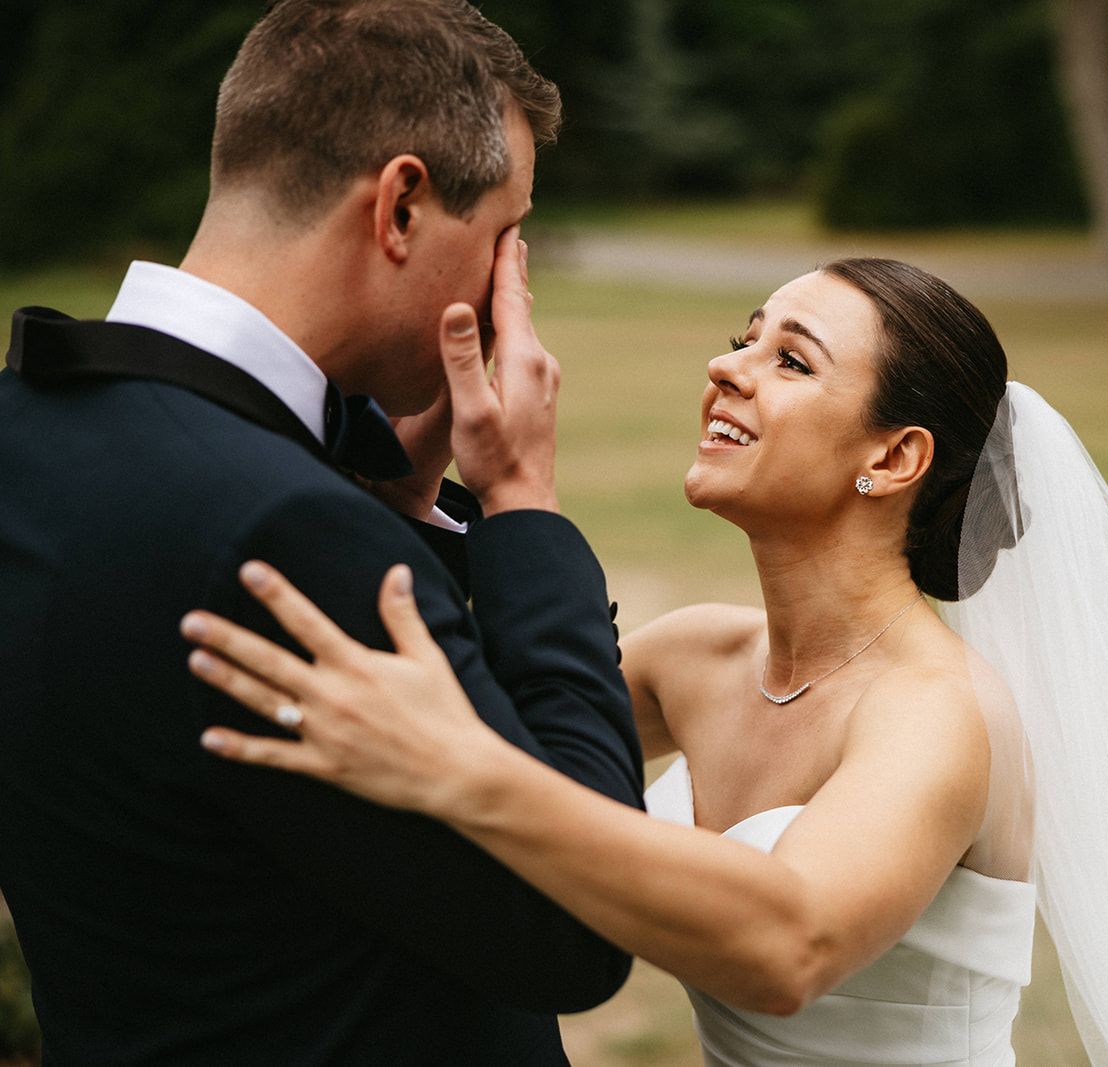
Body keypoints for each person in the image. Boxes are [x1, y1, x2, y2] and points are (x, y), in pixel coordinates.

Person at [180, 258, 1108, 1066]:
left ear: (892, 457)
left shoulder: (940, 712)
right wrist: (419, 499)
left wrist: (465, 772)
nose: (726, 368)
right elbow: (489, 729)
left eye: (790, 359)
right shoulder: (696, 659)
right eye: (743, 338)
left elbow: (791, 938)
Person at [0, 3, 641, 1065]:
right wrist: (522, 500)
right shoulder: (293, 532)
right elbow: (584, 922)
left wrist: (402, 505)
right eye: (502, 237)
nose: (506, 283)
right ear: (399, 207)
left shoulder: (28, 429)